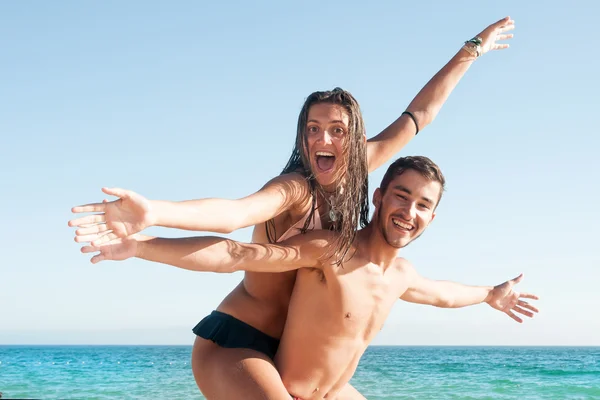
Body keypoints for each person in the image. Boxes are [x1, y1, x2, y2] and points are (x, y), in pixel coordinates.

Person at [69, 17, 516, 400]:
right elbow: (233, 220)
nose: (324, 140)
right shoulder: (293, 190)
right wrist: (153, 217)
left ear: (356, 139)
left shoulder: (364, 167)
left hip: (289, 352)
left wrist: (472, 49)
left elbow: (421, 114)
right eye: (313, 129)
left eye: (337, 130)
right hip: (240, 342)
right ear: (302, 137)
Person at [80, 156, 540, 400]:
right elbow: (241, 252)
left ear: (432, 218)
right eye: (402, 196)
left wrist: (489, 295)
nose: (409, 211)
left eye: (423, 205)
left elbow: (443, 295)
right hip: (273, 382)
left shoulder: (401, 274)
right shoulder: (330, 248)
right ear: (379, 197)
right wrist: (143, 247)